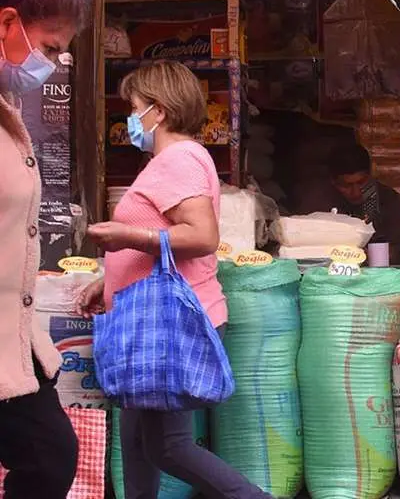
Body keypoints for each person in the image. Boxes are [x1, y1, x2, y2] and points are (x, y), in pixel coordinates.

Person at [77, 61, 272, 499]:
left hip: (171, 324)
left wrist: (126, 236)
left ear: (159, 111)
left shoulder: (178, 160)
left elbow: (202, 237)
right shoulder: (170, 160)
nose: (130, 118)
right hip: (150, 323)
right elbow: (160, 234)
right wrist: (108, 281)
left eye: (134, 108)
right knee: (138, 444)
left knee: (168, 446)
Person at [0, 0, 91, 497]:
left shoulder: (8, 106)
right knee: (47, 453)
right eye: (51, 48)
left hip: (11, 333)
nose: (53, 64)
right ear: (8, 23)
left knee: (49, 454)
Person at [295, 143, 400, 265]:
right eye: (346, 185)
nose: (356, 192)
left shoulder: (386, 198)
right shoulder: (316, 201)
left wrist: (369, 255)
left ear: (370, 176)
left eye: (361, 183)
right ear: (333, 181)